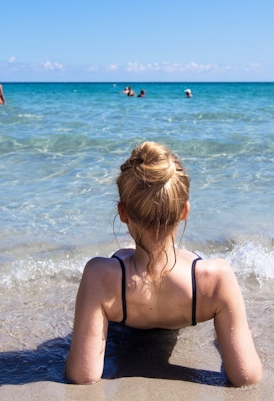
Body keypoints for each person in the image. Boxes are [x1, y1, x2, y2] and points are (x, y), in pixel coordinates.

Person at [65, 142, 263, 386]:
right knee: (182, 258)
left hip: (125, 300)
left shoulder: (100, 276)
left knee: (125, 253)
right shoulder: (215, 279)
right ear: (184, 211)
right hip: (188, 292)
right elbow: (246, 376)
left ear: (123, 213)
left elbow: (82, 375)